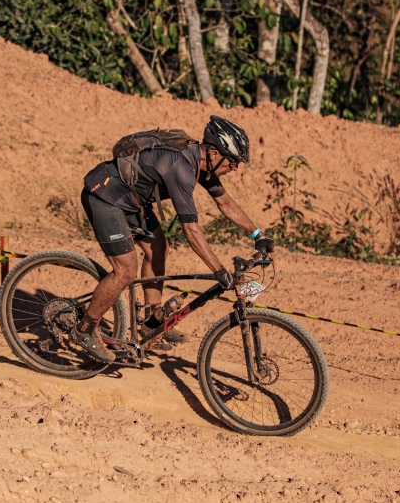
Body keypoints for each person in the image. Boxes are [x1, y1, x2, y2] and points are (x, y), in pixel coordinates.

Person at [73, 115, 274, 363]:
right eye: (233, 162)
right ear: (214, 154)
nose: (234, 168)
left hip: (131, 200)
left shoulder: (201, 165)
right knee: (125, 271)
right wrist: (219, 270)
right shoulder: (181, 169)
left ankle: (151, 322)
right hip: (105, 197)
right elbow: (191, 230)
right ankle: (84, 329)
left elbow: (225, 203)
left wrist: (257, 234)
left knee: (159, 247)